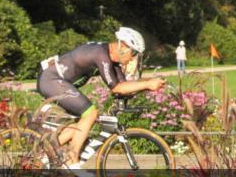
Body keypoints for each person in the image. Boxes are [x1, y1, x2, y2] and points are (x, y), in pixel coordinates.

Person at [37, 27, 164, 168]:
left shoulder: (112, 59)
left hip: (58, 82)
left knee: (82, 125)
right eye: (134, 53)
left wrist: (148, 86)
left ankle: (45, 153)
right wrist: (147, 84)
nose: (133, 58)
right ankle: (71, 159)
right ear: (124, 47)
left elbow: (123, 87)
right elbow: (116, 88)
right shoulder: (101, 55)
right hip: (51, 80)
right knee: (90, 114)